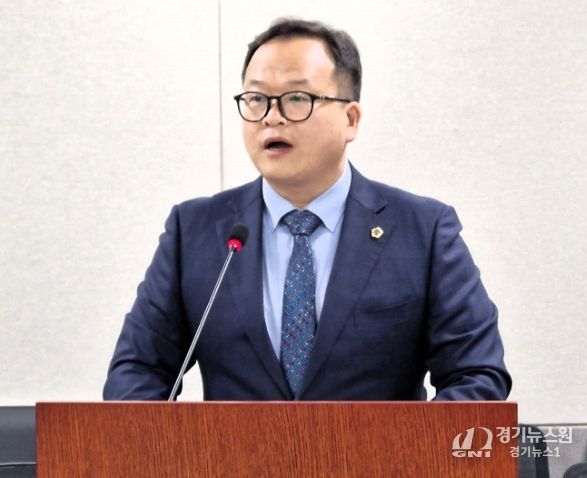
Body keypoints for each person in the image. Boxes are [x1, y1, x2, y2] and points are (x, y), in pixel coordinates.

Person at [103, 18, 511, 401]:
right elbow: (137, 372)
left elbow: (476, 376)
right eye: (256, 99)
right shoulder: (195, 232)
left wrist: (401, 445)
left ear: (350, 119)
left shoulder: (423, 231)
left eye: (297, 98)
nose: (271, 117)